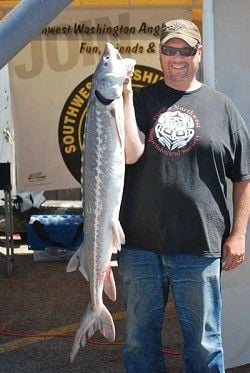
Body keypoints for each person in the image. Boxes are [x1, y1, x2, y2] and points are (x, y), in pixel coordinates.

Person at [118, 19, 250, 372]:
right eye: (169, 50)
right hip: (140, 245)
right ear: (159, 53)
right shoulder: (141, 101)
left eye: (186, 50)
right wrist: (127, 94)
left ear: (199, 52)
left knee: (205, 346)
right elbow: (131, 153)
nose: (177, 58)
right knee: (139, 344)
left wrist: (238, 234)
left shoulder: (223, 108)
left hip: (200, 246)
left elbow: (243, 175)